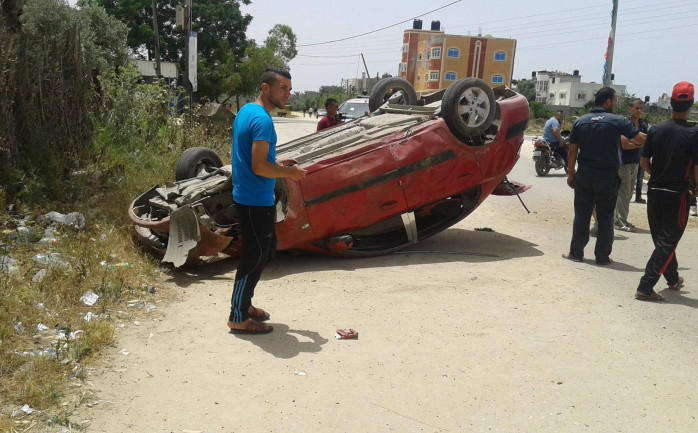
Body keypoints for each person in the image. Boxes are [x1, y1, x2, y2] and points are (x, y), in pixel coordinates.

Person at [227, 68, 307, 334]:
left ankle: (245, 304)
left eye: (289, 89)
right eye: (282, 88)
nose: (288, 93)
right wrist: (289, 173)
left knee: (265, 251)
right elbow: (260, 167)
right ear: (265, 88)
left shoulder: (247, 112)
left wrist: (278, 163)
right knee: (255, 256)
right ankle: (238, 315)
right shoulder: (262, 120)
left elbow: (253, 158)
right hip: (254, 200)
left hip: (252, 197)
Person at [562, 87, 646, 265]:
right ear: (607, 102)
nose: (615, 104)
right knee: (606, 216)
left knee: (582, 215)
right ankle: (602, 257)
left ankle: (576, 253)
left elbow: (572, 150)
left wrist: (571, 173)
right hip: (607, 176)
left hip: (584, 174)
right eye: (614, 101)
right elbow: (639, 139)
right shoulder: (618, 121)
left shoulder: (580, 122)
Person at [635, 81, 698, 301]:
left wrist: (656, 176)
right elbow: (697, 168)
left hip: (654, 191)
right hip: (677, 194)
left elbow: (644, 161)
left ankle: (672, 279)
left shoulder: (656, 129)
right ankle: (645, 286)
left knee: (661, 239)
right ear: (690, 104)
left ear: (670, 103)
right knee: (668, 241)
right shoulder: (693, 133)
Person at [614, 99, 648, 231]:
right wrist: (639, 143)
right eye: (637, 108)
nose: (639, 111)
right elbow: (625, 145)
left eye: (641, 108)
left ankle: (622, 219)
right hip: (623, 162)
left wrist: (636, 143)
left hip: (636, 162)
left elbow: (645, 142)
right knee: (624, 192)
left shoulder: (642, 125)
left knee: (628, 194)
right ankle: (619, 221)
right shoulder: (624, 123)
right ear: (630, 109)